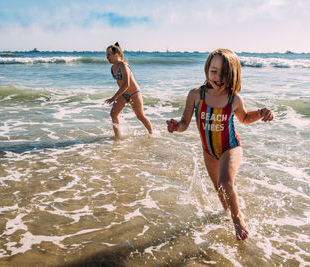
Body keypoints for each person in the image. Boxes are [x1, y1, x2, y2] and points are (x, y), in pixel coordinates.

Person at [167, 48, 273, 241]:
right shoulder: (195, 95)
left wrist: (260, 113)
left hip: (230, 146)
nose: (218, 77)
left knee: (225, 183)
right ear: (207, 70)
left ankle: (237, 217)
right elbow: (185, 123)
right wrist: (176, 127)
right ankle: (227, 212)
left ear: (232, 75)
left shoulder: (234, 98)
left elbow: (245, 118)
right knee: (219, 188)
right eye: (214, 71)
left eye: (224, 73)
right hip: (208, 150)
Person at [105, 42, 153, 138]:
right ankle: (118, 137)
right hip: (123, 94)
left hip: (134, 93)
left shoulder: (124, 66)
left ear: (117, 54)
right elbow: (119, 83)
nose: (107, 57)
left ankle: (152, 134)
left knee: (140, 116)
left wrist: (114, 97)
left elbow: (126, 84)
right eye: (106, 55)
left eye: (109, 55)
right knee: (113, 114)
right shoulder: (113, 68)